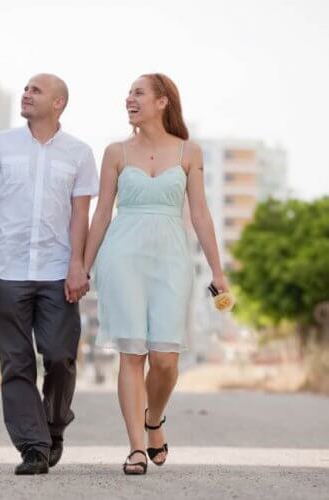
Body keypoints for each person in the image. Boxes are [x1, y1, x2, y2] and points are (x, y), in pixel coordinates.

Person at [83, 73, 228, 475]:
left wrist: (218, 270)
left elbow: (199, 213)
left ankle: (154, 420)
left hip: (171, 258)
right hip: (121, 256)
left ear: (162, 102)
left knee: (164, 359)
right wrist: (83, 266)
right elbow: (101, 215)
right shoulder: (115, 152)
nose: (129, 98)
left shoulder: (188, 152)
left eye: (138, 93)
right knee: (132, 353)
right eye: (128, 93)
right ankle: (134, 448)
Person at [0, 73, 99, 475]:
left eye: (35, 90)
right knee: (16, 362)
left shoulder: (79, 153)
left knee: (60, 358)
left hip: (58, 271)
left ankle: (54, 425)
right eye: (25, 88)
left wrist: (78, 264)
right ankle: (33, 447)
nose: (26, 94)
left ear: (58, 103)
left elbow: (81, 214)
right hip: (6, 270)